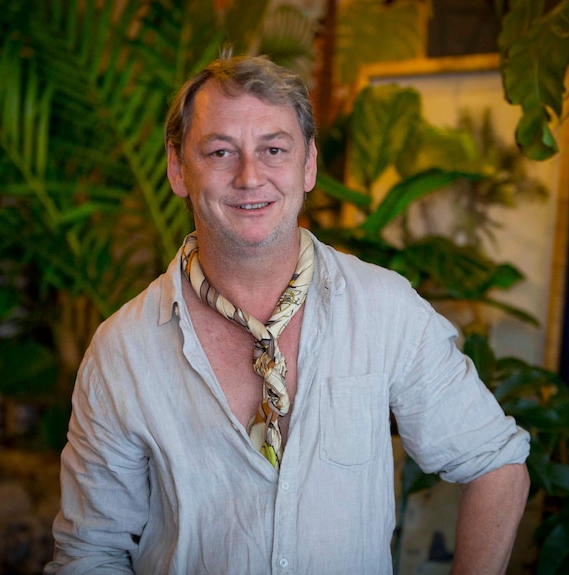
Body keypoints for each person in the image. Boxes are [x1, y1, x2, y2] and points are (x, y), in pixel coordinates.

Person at [45, 51, 530, 575]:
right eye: (220, 152)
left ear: (309, 165)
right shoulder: (122, 349)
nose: (250, 177)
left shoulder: (384, 308)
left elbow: (497, 465)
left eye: (273, 149)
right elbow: (89, 551)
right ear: (177, 169)